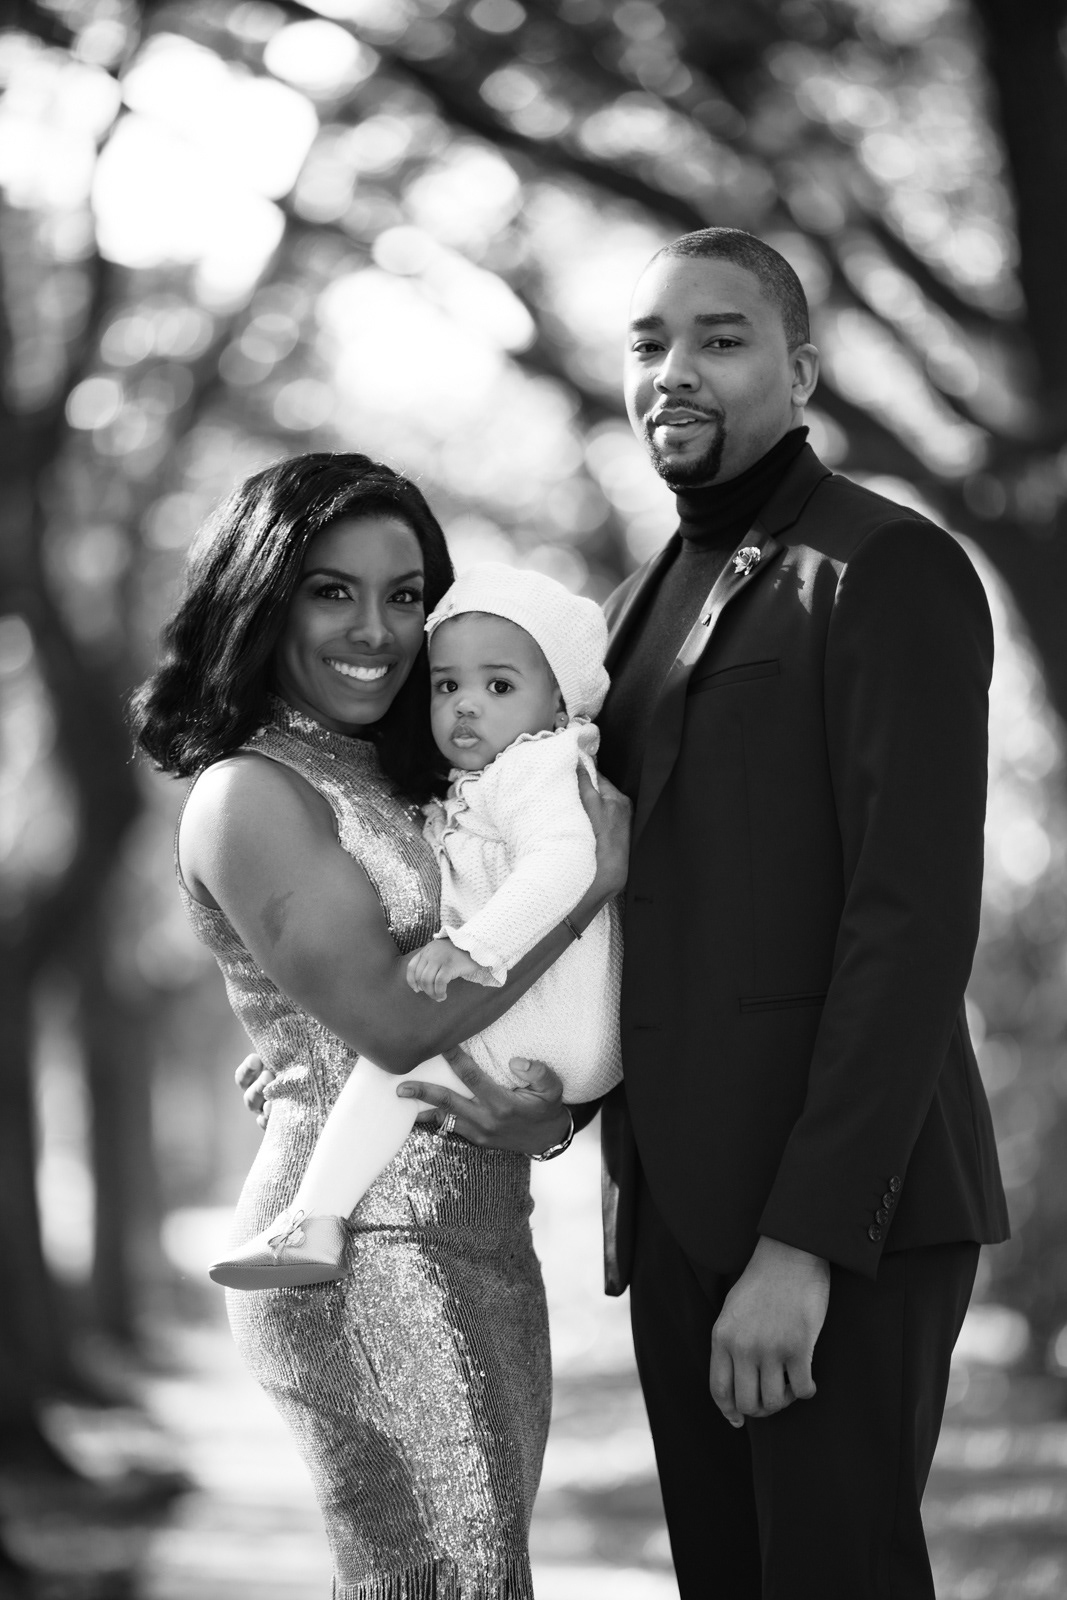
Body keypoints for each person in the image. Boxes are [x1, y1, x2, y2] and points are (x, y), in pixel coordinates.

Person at [365, 228, 1009, 1598]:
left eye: (719, 338)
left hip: (841, 1219)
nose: (674, 370)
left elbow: (908, 925)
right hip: (672, 1217)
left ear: (801, 371)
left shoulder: (882, 567)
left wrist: (802, 1245)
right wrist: (526, 1095)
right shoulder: (622, 619)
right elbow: (611, 905)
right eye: (648, 343)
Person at [132, 452, 628, 1600]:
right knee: (455, 1581)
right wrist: (588, 885)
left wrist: (548, 1118)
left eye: (404, 595)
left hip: (481, 1233)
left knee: (474, 1576)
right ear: (262, 600)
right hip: (358, 1249)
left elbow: (502, 1007)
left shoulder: (427, 769)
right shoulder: (251, 791)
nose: (375, 630)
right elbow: (398, 1027)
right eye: (331, 591)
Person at [213, 561, 622, 1292]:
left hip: (556, 1023)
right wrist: (305, 1045)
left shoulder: (539, 767)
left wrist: (469, 947)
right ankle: (311, 1220)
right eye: (447, 685)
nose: (466, 706)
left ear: (559, 701)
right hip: (549, 1031)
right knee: (390, 1067)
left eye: (499, 687)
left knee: (393, 1067)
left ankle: (311, 1220)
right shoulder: (485, 779)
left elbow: (565, 864)